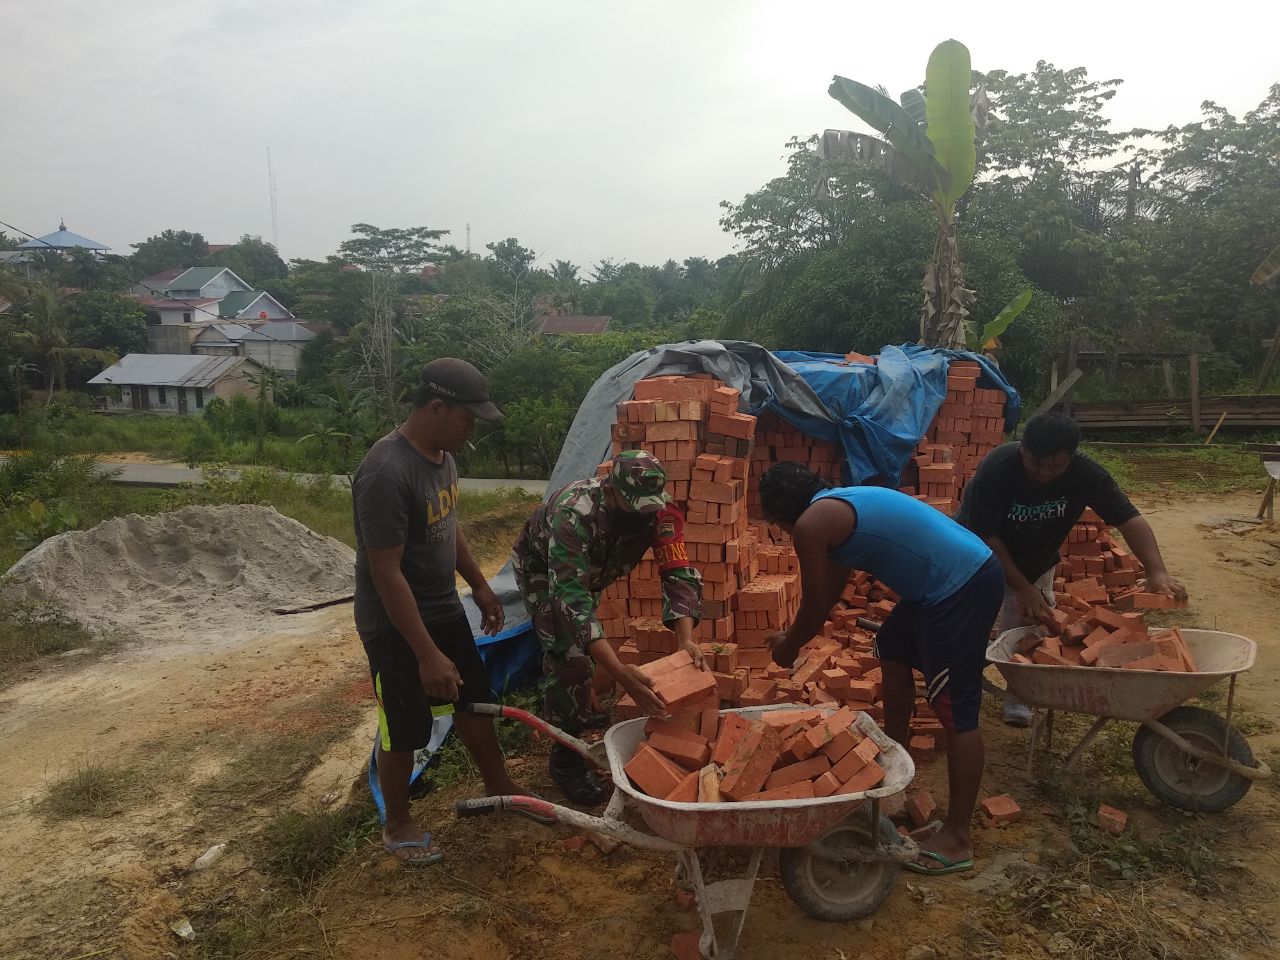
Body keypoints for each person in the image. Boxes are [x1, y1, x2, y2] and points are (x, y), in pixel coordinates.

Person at [760, 462, 1004, 876]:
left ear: (782, 515)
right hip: (944, 585)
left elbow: (816, 604)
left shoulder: (811, 524)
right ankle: (895, 762)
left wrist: (789, 646)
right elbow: (829, 593)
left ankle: (958, 837)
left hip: (962, 586)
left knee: (955, 707)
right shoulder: (834, 510)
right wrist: (793, 635)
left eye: (777, 526)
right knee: (893, 644)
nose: (783, 532)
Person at [353, 358, 528, 865]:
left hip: (443, 606)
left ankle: (498, 785)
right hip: (394, 623)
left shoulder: (443, 457)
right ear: (436, 407)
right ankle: (398, 824)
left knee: (473, 699)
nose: (472, 429)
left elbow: (449, 527)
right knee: (404, 724)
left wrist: (481, 586)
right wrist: (426, 653)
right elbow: (386, 574)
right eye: (468, 418)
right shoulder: (385, 472)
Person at [956, 412, 1188, 727]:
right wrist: (1022, 588)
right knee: (970, 620)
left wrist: (1156, 570)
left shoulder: (1086, 474)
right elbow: (985, 535)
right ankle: (958, 683)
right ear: (1023, 448)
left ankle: (1019, 694)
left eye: (1055, 466)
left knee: (1028, 625)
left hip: (1036, 559)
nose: (1044, 473)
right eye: (1036, 463)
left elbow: (1128, 518)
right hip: (976, 554)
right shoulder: (998, 468)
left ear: (1071, 457)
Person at [513, 450, 705, 806]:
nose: (644, 517)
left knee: (585, 647)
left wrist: (686, 641)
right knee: (570, 658)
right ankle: (565, 760)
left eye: (649, 508)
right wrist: (618, 671)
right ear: (612, 491)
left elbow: (677, 572)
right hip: (544, 569)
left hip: (592, 572)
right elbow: (570, 596)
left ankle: (581, 701)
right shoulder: (574, 513)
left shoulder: (661, 510)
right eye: (636, 509)